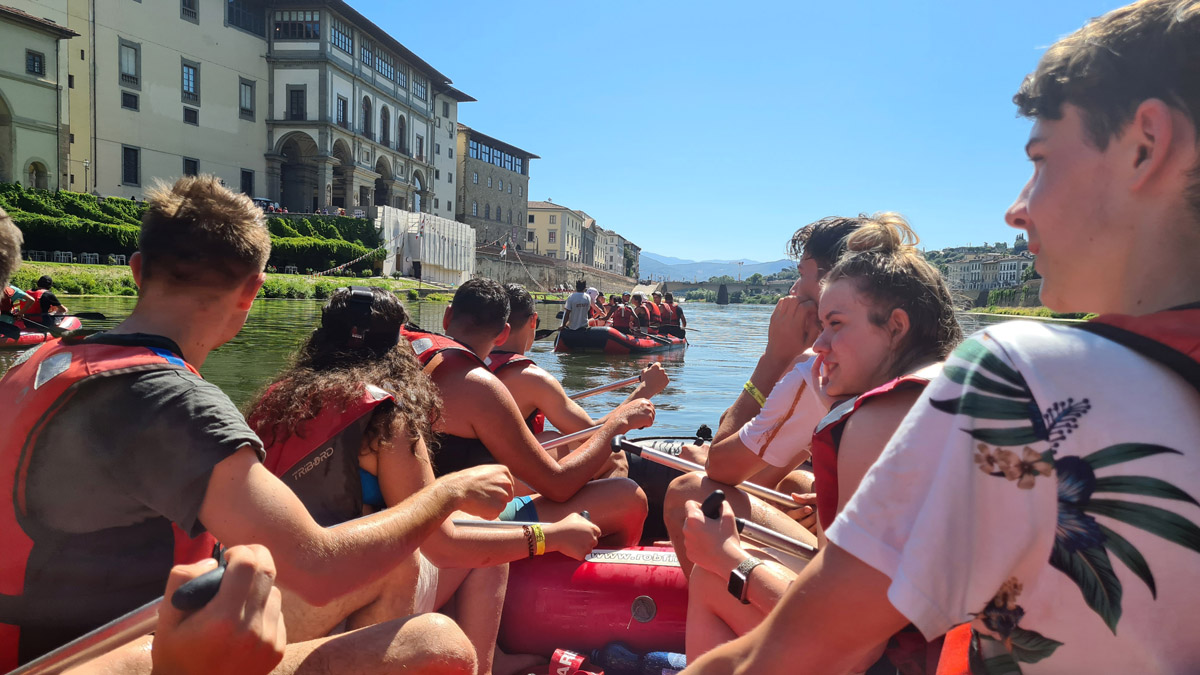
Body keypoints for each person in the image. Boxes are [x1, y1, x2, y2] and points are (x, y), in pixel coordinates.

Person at [687, 1, 1200, 672]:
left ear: (1145, 144)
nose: (1018, 208)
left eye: (1042, 160)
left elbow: (786, 658)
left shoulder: (1023, 380)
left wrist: (727, 558)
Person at [0, 176, 508, 673]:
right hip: (106, 656)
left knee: (394, 563)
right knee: (439, 644)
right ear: (252, 290)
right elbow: (315, 570)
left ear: (136, 270)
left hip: (46, 644)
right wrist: (450, 492)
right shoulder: (174, 401)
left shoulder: (41, 359)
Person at [247, 287, 599, 674]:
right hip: (351, 601)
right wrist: (553, 536)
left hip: (273, 599)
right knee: (483, 537)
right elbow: (444, 546)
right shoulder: (387, 420)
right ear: (398, 345)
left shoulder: (273, 403)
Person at [681, 214, 961, 670]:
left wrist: (730, 557)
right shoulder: (954, 386)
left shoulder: (873, 420)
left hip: (905, 661)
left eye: (836, 324)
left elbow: (849, 635)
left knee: (713, 574)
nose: (821, 346)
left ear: (895, 327)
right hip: (951, 641)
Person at [664, 215, 865, 576]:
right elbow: (763, 472)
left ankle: (705, 609)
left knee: (690, 490)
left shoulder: (819, 369)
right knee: (796, 483)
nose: (794, 288)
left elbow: (718, 469)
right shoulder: (893, 350)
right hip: (895, 564)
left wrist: (774, 358)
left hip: (853, 578)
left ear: (830, 282)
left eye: (802, 274)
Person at [402, 278, 653, 546]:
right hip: (464, 523)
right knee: (628, 494)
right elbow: (559, 485)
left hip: (424, 505)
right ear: (503, 332)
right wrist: (623, 419)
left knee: (547, 441)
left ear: (448, 315)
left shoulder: (410, 362)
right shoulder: (482, 387)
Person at [491, 282, 669, 465]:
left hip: (483, 464)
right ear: (533, 321)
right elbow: (592, 434)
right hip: (506, 471)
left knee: (553, 436)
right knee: (615, 459)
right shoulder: (533, 380)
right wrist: (645, 390)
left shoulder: (473, 365)